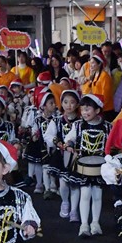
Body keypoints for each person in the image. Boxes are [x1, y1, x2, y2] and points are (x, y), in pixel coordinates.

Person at [64, 94, 111, 237]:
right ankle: (84, 224)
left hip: (100, 167)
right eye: (82, 109)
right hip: (83, 166)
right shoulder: (78, 125)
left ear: (97, 110)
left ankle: (95, 223)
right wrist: (69, 144)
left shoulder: (107, 127)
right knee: (85, 194)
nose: (84, 113)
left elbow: (113, 143)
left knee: (97, 194)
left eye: (87, 109)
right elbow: (69, 138)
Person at [46, 90, 82, 221]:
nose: (68, 105)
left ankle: (74, 210)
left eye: (72, 102)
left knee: (75, 184)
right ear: (61, 103)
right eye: (65, 102)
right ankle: (65, 202)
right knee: (63, 182)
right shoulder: (57, 121)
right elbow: (48, 136)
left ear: (77, 104)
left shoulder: (82, 122)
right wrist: (57, 142)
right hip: (61, 156)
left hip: (77, 157)